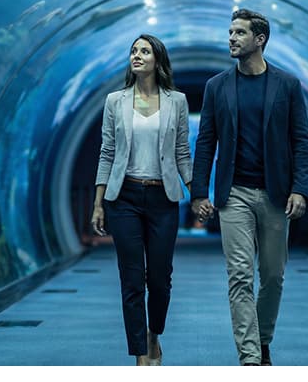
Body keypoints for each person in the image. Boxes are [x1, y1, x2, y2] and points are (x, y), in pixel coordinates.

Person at [190, 8, 308, 366]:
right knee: (240, 276)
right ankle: (250, 358)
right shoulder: (217, 86)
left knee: (273, 276)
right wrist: (200, 193)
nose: (231, 38)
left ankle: (262, 341)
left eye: (239, 33)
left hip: (276, 194)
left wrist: (300, 189)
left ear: (259, 40)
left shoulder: (287, 85)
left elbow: (302, 140)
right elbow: (206, 142)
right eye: (230, 32)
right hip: (235, 195)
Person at [90, 34, 192, 366]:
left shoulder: (176, 101)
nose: (137, 55)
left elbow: (181, 153)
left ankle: (153, 335)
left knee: (160, 278)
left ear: (157, 60)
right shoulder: (114, 101)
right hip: (125, 199)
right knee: (132, 278)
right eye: (133, 50)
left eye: (144, 51)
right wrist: (98, 202)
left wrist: (198, 192)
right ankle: (139, 354)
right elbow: (106, 153)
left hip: (163, 197)